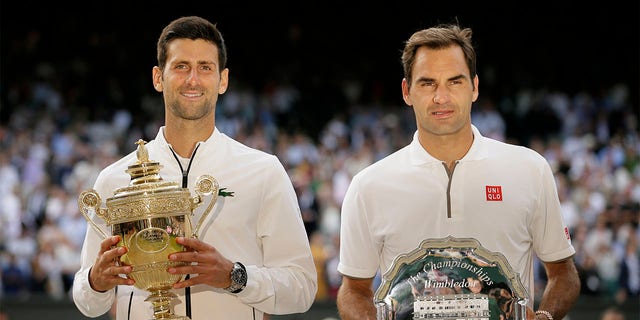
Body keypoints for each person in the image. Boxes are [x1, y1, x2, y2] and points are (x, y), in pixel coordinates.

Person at [72, 16, 317, 320]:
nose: (193, 79)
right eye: (181, 66)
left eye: (205, 67)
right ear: (158, 77)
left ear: (222, 80)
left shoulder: (264, 171)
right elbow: (87, 301)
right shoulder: (115, 178)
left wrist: (234, 276)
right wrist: (96, 280)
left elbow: (302, 288)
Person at [335, 23, 581, 320]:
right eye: (427, 83)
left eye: (455, 82)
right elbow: (353, 291)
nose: (441, 97)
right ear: (406, 91)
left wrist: (543, 318)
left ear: (474, 87)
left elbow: (563, 273)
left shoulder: (530, 170)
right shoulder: (368, 186)